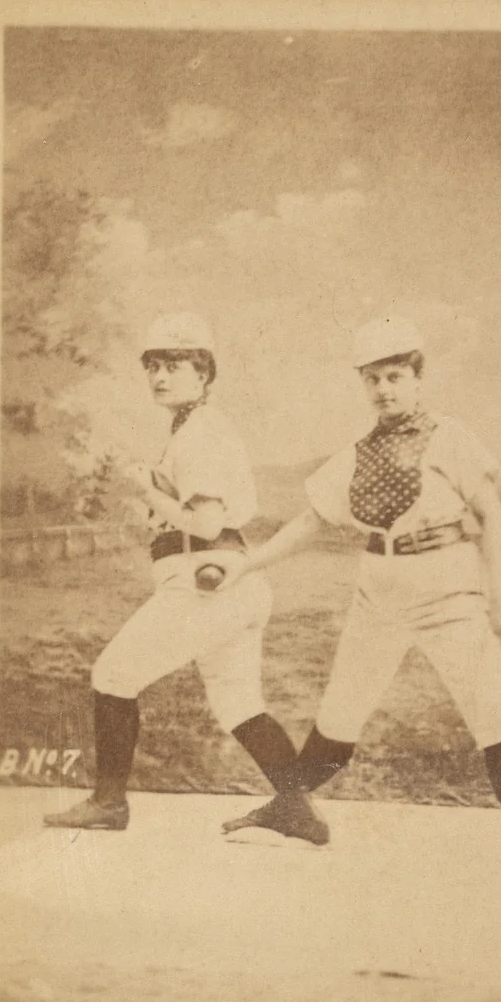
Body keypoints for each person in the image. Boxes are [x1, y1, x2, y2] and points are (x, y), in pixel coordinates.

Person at [192, 315, 501, 899]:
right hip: (379, 594)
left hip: (449, 590)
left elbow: (492, 515)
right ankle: (293, 807)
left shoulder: (452, 436)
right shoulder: (357, 453)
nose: (383, 389)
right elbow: (311, 521)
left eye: (395, 375)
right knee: (338, 719)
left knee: (497, 717)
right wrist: (249, 563)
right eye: (371, 379)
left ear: (418, 377)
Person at [44, 312, 303, 833]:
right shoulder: (193, 427)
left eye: (175, 365)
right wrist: (149, 485)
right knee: (240, 705)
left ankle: (109, 803)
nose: (160, 377)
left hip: (206, 578)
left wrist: (142, 488)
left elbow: (204, 523)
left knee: (113, 675)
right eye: (153, 366)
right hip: (235, 581)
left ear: (203, 373)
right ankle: (297, 808)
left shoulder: (201, 432)